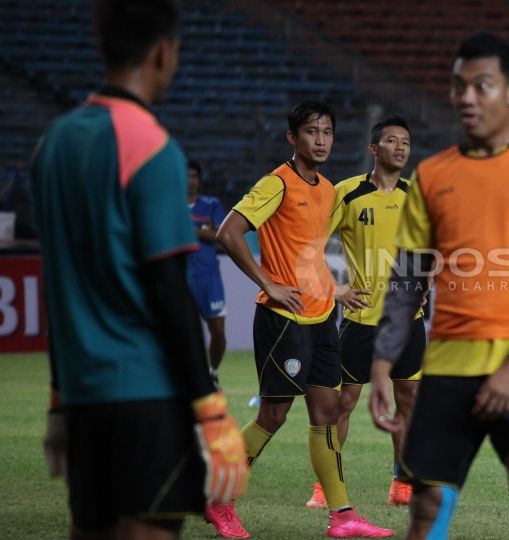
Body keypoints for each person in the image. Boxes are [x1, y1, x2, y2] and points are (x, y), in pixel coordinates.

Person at [30, 1, 248, 538]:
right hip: (145, 398)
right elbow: (169, 291)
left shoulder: (51, 145)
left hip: (85, 399)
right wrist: (211, 409)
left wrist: (60, 403)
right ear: (162, 51)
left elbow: (57, 289)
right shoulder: (152, 146)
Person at [369, 32, 509, 540]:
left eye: (481, 86)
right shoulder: (431, 175)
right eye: (458, 86)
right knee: (426, 512)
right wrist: (382, 361)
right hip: (446, 369)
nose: (467, 97)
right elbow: (405, 281)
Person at [215, 100, 392, 539]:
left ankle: (343, 516)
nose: (321, 140)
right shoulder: (276, 184)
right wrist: (268, 283)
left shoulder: (328, 190)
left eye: (327, 132)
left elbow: (308, 254)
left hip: (323, 319)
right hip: (283, 320)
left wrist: (336, 290)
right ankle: (217, 498)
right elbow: (229, 231)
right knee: (273, 416)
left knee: (326, 413)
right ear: (293, 138)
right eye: (312, 132)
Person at [305, 113, 425, 510]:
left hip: (408, 322)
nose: (401, 148)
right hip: (361, 321)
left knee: (408, 400)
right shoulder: (348, 192)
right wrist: (335, 289)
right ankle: (326, 487)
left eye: (406, 142)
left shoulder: (416, 195)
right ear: (374, 149)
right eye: (392, 141)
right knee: (344, 403)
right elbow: (309, 245)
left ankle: (402, 482)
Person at [186, 160, 228, 383]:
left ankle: (213, 371)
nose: (190, 180)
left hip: (209, 277)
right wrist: (203, 230)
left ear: (199, 180)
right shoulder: (171, 205)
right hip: (181, 277)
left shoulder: (211, 204)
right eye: (186, 176)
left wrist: (193, 230)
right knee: (184, 333)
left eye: (193, 176)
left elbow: (220, 234)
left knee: (218, 331)